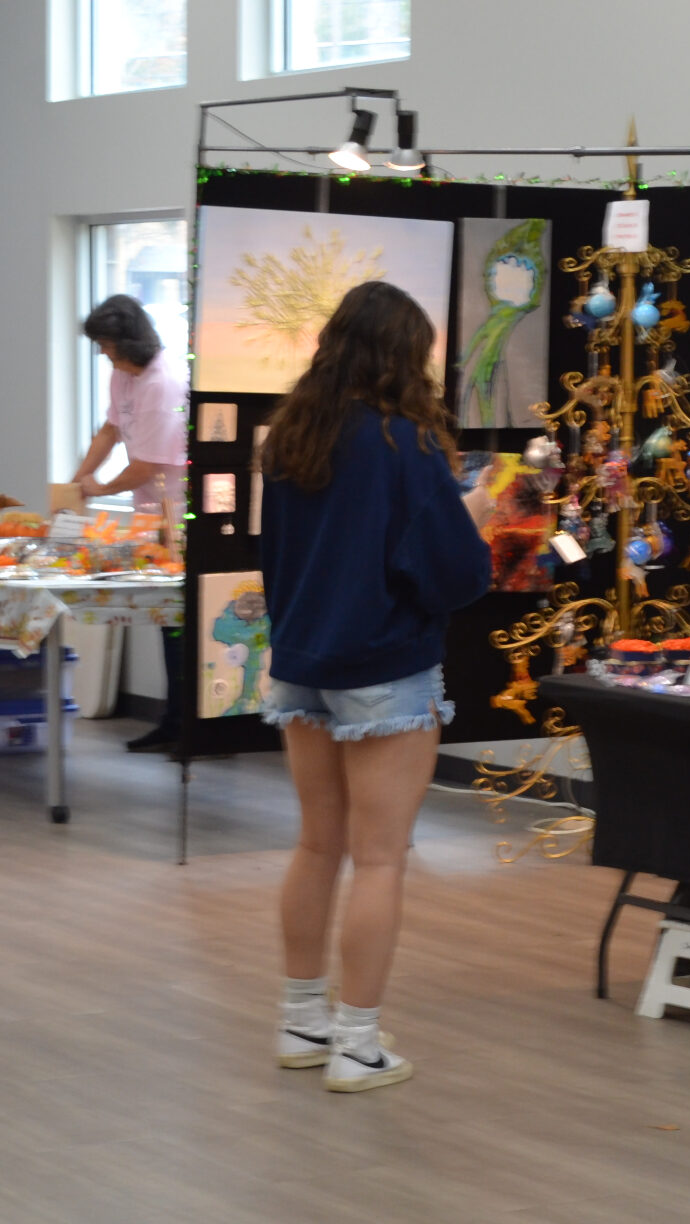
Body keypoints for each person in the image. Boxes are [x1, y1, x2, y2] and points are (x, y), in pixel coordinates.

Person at [258, 281, 491, 1093]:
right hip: (385, 667)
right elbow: (454, 573)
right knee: (381, 858)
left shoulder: (291, 436)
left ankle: (301, 1020)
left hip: (301, 662)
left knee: (315, 844)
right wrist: (482, 518)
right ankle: (358, 1043)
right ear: (403, 357)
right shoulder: (405, 445)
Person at [76, 295, 189, 752]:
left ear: (129, 342)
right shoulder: (123, 376)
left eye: (107, 344)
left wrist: (100, 490)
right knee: (166, 620)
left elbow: (147, 465)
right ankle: (172, 721)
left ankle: (188, 726)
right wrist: (79, 478)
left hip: (180, 515)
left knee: (181, 624)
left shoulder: (163, 384)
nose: (104, 353)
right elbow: (109, 431)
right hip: (151, 516)